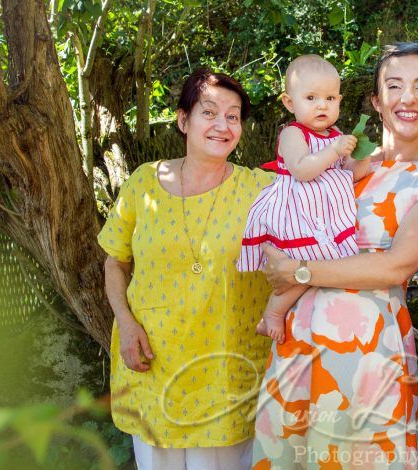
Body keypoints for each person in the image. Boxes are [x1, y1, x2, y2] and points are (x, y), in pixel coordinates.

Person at [251, 42, 418, 470]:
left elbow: (396, 265)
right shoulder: (339, 163)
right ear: (376, 100)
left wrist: (296, 269)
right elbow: (286, 212)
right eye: (395, 86)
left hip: (368, 346)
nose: (408, 98)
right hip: (299, 336)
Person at [98, 69, 274, 470]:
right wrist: (125, 323)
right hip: (151, 365)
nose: (222, 125)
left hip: (227, 374)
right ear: (183, 120)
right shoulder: (144, 184)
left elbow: (324, 198)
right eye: (209, 112)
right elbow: (115, 261)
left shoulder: (262, 190)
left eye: (233, 116)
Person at [237, 55, 371, 344]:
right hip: (300, 214)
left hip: (328, 216)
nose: (322, 105)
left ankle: (323, 321)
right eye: (310, 97)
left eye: (330, 97)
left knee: (330, 267)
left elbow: (351, 174)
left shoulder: (335, 135)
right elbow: (302, 169)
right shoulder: (292, 134)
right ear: (289, 102)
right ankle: (274, 311)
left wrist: (361, 157)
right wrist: (335, 150)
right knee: (308, 263)